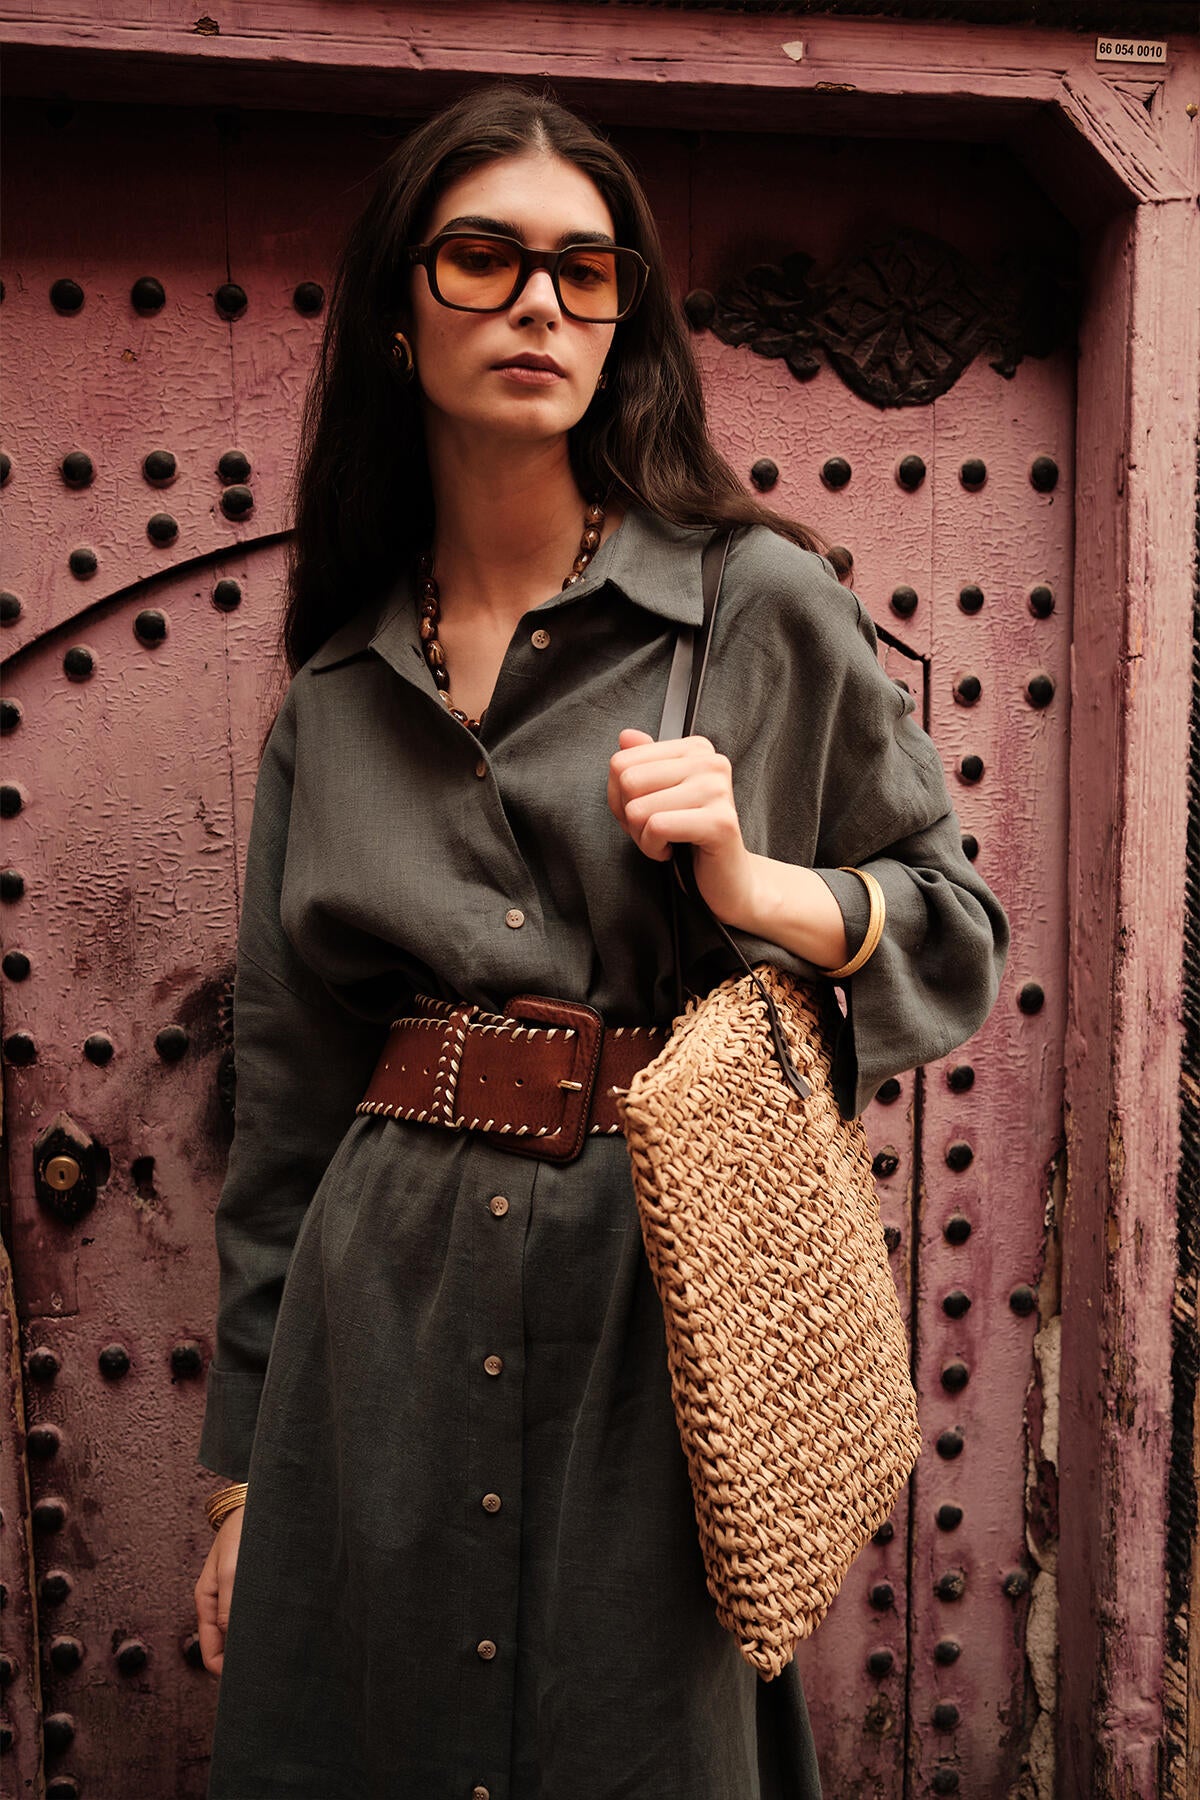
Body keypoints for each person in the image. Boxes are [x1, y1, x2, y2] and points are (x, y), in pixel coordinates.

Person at [192, 79, 1009, 1800]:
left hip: (658, 1312)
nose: (541, 304)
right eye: (483, 258)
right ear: (400, 312)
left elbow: (954, 929)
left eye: (585, 269)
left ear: (624, 318)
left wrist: (755, 887)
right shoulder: (335, 690)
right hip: (381, 1321)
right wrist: (247, 1473)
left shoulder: (754, 605)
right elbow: (286, 1113)